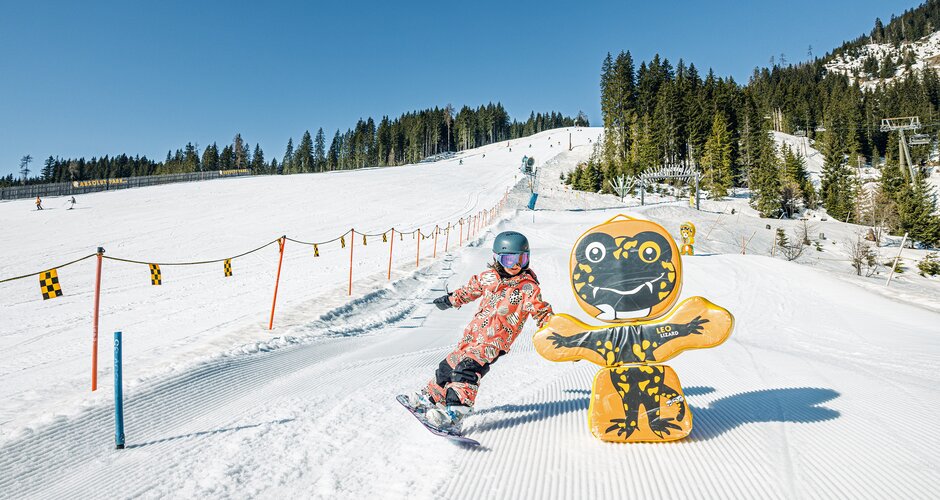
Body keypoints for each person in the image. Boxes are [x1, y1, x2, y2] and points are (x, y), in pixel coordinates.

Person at [404, 231, 554, 430]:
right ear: (497, 258)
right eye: (510, 259)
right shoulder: (489, 278)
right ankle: (431, 398)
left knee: (466, 370)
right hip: (473, 337)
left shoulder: (528, 287)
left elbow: (541, 311)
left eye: (522, 258)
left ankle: (456, 412)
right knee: (448, 366)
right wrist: (451, 300)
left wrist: (557, 332)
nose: (516, 265)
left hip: (495, 342)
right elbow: (470, 290)